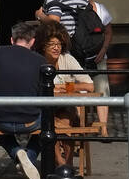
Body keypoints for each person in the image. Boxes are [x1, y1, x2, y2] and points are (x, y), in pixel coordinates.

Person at [0, 20, 44, 179]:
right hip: (30, 121)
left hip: (2, 120)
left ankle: (17, 153)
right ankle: (29, 155)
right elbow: (45, 91)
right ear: (33, 41)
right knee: (48, 125)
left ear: (11, 40)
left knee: (1, 135)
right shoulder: (40, 60)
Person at [35, 20, 90, 166]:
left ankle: (67, 164)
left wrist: (66, 87)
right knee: (50, 122)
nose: (56, 48)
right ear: (43, 46)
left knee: (64, 121)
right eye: (52, 44)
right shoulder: (37, 62)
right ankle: (61, 163)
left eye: (59, 44)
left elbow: (90, 85)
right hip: (45, 109)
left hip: (67, 107)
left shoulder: (67, 59)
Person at [79, 0, 112, 134]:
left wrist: (103, 50)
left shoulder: (100, 9)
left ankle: (103, 127)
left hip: (99, 56)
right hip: (82, 57)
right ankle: (81, 127)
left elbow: (109, 32)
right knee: (80, 92)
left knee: (102, 90)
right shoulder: (76, 9)